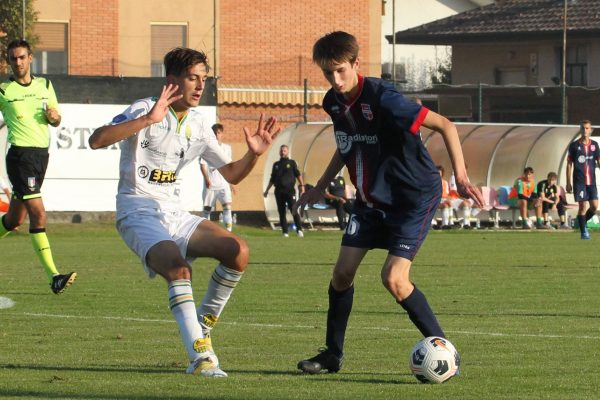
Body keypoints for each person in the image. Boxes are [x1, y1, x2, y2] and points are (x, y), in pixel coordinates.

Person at [294, 31, 483, 374]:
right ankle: (332, 355)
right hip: (371, 202)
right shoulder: (333, 103)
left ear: (355, 63)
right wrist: (320, 186)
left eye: (340, 71)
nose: (334, 80)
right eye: (327, 73)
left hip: (412, 198)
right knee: (341, 275)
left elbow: (445, 125)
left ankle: (444, 351)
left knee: (394, 279)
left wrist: (462, 178)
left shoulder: (385, 98)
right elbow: (347, 143)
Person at [88, 47, 280, 377]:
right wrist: (147, 120)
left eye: (204, 79)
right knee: (178, 270)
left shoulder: (199, 125)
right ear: (172, 80)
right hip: (137, 211)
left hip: (174, 213)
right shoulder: (144, 108)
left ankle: (202, 325)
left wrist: (254, 155)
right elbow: (96, 140)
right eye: (193, 78)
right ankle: (201, 357)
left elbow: (231, 174)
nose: (199, 85)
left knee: (238, 250)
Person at [0, 39, 77, 294]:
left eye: (22, 57)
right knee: (39, 214)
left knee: (13, 219)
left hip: (40, 157)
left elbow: (55, 118)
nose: (18, 62)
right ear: (9, 61)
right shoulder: (4, 90)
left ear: (30, 58)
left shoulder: (45, 85)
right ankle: (54, 276)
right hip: (20, 157)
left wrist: (54, 118)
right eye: (13, 58)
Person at [566, 120, 599, 240]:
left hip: (592, 181)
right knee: (582, 207)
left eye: (587, 128)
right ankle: (584, 232)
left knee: (595, 207)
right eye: (583, 128)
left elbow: (598, 161)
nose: (585, 130)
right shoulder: (574, 145)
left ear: (591, 130)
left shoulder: (595, 145)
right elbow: (569, 164)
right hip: (579, 181)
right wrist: (568, 182)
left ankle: (581, 222)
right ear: (580, 129)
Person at [263, 144, 305, 237]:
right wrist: (266, 190)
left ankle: (299, 230)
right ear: (279, 152)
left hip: (290, 191)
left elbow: (298, 174)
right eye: (281, 151)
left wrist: (302, 185)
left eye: (284, 151)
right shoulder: (276, 165)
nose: (282, 152)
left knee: (293, 209)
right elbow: (272, 179)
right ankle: (285, 232)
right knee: (281, 212)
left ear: (287, 152)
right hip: (279, 191)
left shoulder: (292, 162)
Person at [200, 123, 235, 231]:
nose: (217, 135)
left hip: (223, 183)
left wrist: (231, 182)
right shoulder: (206, 148)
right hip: (211, 183)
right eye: (215, 133)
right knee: (207, 209)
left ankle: (229, 231)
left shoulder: (227, 148)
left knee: (227, 207)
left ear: (222, 134)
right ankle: (206, 231)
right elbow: (203, 164)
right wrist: (207, 179)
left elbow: (229, 166)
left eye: (219, 133)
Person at [436, 165, 454, 229]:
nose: (438, 174)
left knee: (449, 203)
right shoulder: (432, 182)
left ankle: (449, 223)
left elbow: (446, 193)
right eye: (437, 173)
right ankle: (445, 224)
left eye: (439, 173)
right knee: (446, 205)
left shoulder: (445, 182)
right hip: (436, 200)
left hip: (444, 199)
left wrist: (449, 197)